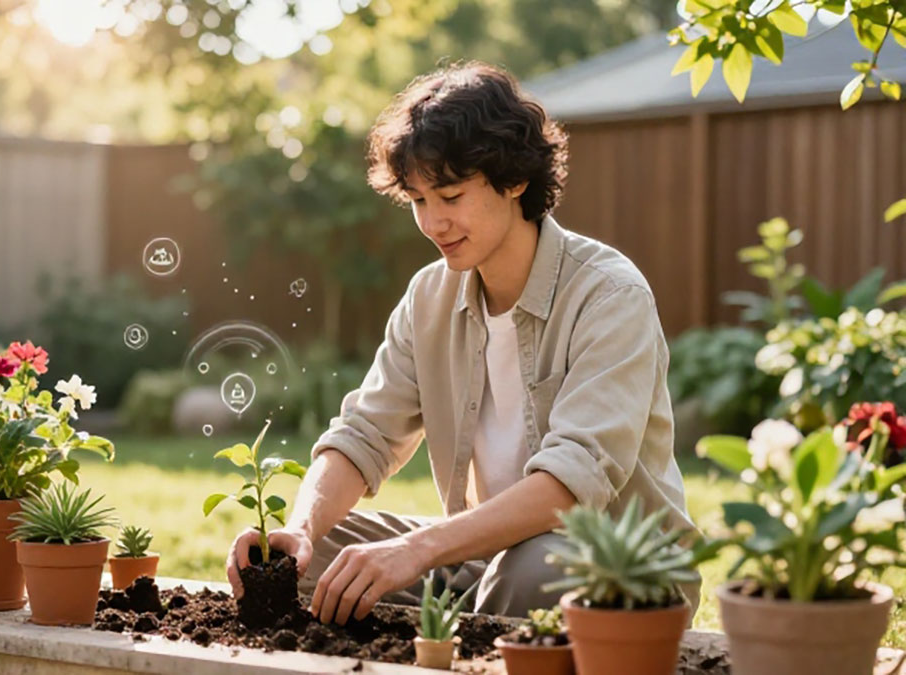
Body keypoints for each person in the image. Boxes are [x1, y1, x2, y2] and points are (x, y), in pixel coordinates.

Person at [226, 61, 698, 626]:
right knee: (312, 557)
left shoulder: (609, 296)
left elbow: (572, 482)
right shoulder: (429, 296)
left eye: (450, 195)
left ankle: (455, 636)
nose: (433, 223)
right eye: (419, 201)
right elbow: (365, 434)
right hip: (486, 559)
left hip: (617, 562)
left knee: (533, 569)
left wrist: (417, 552)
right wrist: (300, 528)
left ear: (515, 179)